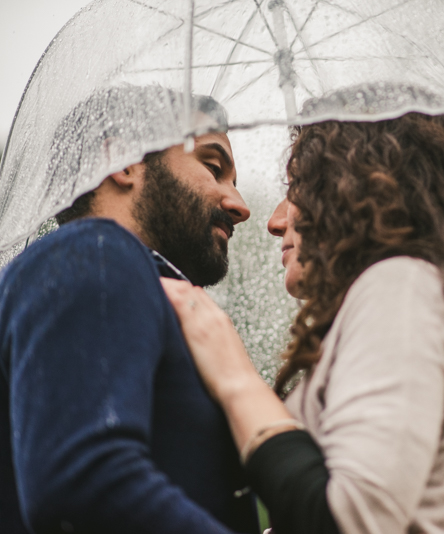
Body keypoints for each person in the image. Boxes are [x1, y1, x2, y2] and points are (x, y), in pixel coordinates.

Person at [163, 112, 444, 534]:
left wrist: (234, 376)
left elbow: (351, 521)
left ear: (362, 190)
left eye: (297, 187)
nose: (276, 221)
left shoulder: (405, 288)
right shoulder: (433, 301)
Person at [0, 85, 259, 533]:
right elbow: (88, 485)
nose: (240, 206)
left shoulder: (125, 284)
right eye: (213, 167)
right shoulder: (96, 250)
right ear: (122, 161)